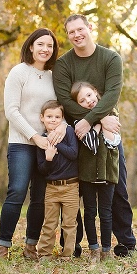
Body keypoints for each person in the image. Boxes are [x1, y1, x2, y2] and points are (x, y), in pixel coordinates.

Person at [53, 14, 137, 258]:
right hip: (76, 133)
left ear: (90, 28)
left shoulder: (110, 58)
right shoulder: (63, 65)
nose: (77, 35)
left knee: (117, 184)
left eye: (81, 29)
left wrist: (95, 120)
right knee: (74, 190)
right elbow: (64, 101)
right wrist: (96, 118)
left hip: (108, 133)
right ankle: (73, 243)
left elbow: (112, 94)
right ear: (67, 35)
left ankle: (126, 243)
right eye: (71, 32)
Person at [0, 28, 66, 260]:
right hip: (21, 143)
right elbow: (11, 111)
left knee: (39, 197)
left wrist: (61, 128)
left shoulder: (54, 75)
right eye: (40, 45)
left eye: (50, 46)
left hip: (47, 144)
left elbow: (62, 109)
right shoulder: (19, 72)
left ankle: (30, 247)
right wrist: (34, 136)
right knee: (16, 191)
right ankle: (3, 246)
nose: (45, 49)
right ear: (30, 47)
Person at [70, 81, 120, 260]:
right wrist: (99, 123)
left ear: (96, 92)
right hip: (88, 173)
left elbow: (112, 141)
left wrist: (98, 124)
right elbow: (91, 144)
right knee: (90, 212)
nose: (88, 101)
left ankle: (106, 250)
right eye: (82, 100)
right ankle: (93, 249)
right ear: (78, 105)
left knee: (106, 212)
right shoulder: (79, 121)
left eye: (89, 95)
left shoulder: (112, 113)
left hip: (108, 171)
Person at [35, 100, 79, 259]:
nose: (53, 120)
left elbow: (74, 153)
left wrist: (56, 143)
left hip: (71, 186)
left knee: (69, 224)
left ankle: (67, 254)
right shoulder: (41, 140)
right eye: (49, 116)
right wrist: (48, 158)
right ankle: (44, 254)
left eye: (57, 117)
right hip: (52, 188)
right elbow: (41, 169)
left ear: (62, 118)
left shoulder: (69, 133)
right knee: (49, 224)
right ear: (42, 118)